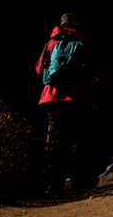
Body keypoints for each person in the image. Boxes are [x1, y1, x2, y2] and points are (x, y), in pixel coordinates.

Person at [35, 12, 103, 193]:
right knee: (80, 138)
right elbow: (101, 70)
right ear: (77, 24)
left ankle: (53, 183)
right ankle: (78, 181)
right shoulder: (86, 42)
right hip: (79, 97)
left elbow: (39, 68)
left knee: (57, 140)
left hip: (52, 97)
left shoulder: (51, 42)